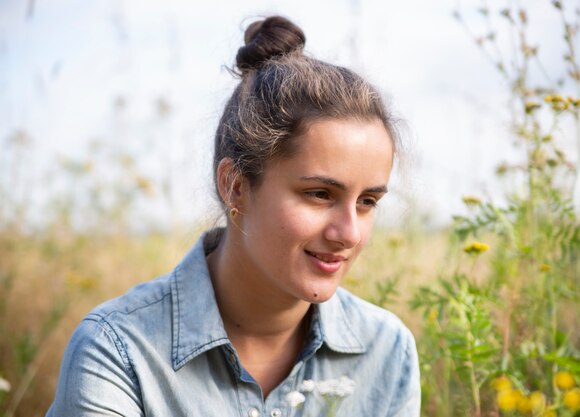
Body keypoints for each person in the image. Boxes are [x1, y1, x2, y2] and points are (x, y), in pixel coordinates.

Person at [46, 15, 420, 417]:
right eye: (319, 194)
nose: (348, 233)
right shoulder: (119, 353)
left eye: (368, 202)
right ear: (236, 186)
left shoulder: (387, 350)